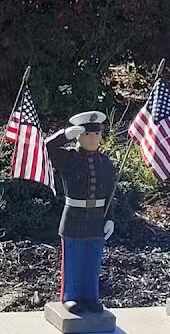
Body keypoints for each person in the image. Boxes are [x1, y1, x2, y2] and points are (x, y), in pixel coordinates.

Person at [45, 111, 116, 314]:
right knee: (74, 258)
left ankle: (90, 296)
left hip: (96, 218)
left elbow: (109, 193)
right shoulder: (68, 158)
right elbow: (46, 148)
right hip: (74, 216)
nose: (92, 138)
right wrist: (64, 134)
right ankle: (71, 296)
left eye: (96, 134)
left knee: (92, 259)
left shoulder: (105, 162)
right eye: (87, 134)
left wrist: (109, 217)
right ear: (79, 136)